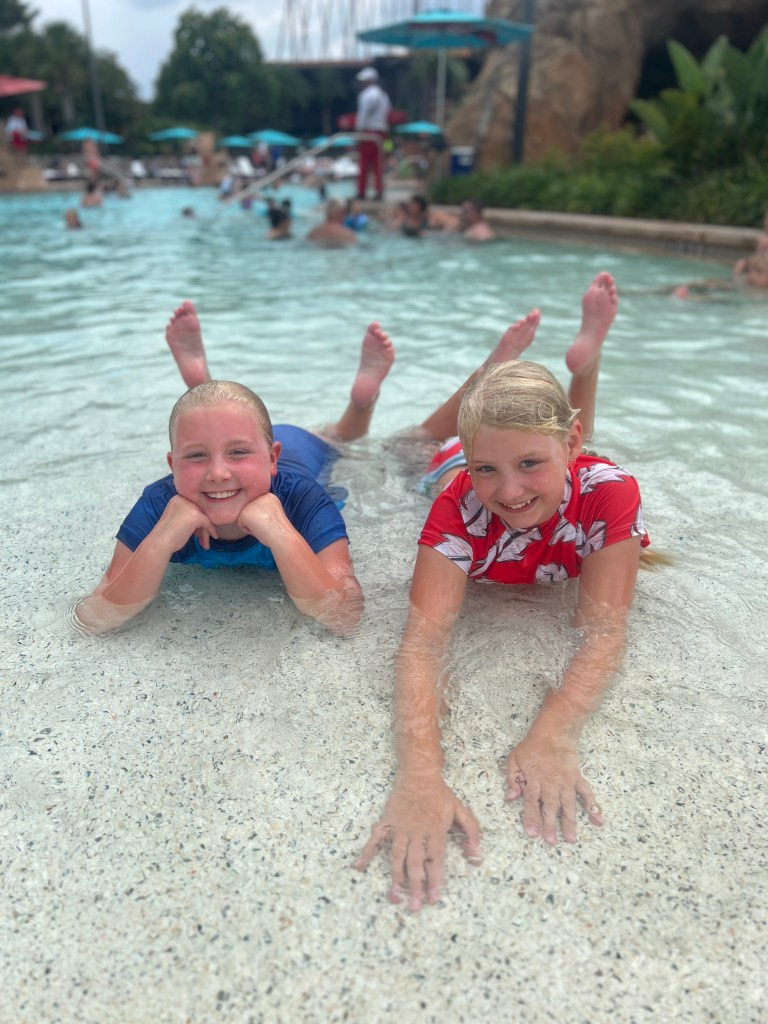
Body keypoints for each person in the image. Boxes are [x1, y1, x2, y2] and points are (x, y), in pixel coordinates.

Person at [356, 272, 661, 911]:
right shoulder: (458, 505)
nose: (507, 490)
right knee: (409, 447)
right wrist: (419, 775)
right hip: (447, 460)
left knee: (584, 466)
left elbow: (605, 629)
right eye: (487, 470)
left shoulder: (611, 491)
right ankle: (496, 376)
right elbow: (421, 645)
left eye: (526, 466)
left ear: (570, 447)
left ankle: (583, 364)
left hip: (568, 468)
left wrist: (554, 732)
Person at [75, 302, 396, 636]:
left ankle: (361, 402)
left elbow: (345, 617)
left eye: (237, 453)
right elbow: (93, 617)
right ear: (172, 466)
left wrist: (280, 532)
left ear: (272, 459)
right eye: (196, 456)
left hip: (301, 449)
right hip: (250, 438)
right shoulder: (159, 504)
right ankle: (206, 391)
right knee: (218, 426)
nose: (218, 473)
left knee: (341, 438)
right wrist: (161, 539)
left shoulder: (302, 498)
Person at [354, 66, 391, 202]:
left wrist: (358, 134)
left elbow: (362, 116)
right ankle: (378, 191)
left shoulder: (365, 95)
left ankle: (362, 191)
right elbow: (387, 113)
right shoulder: (383, 95)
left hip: (368, 133)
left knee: (364, 163)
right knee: (378, 164)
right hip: (381, 133)